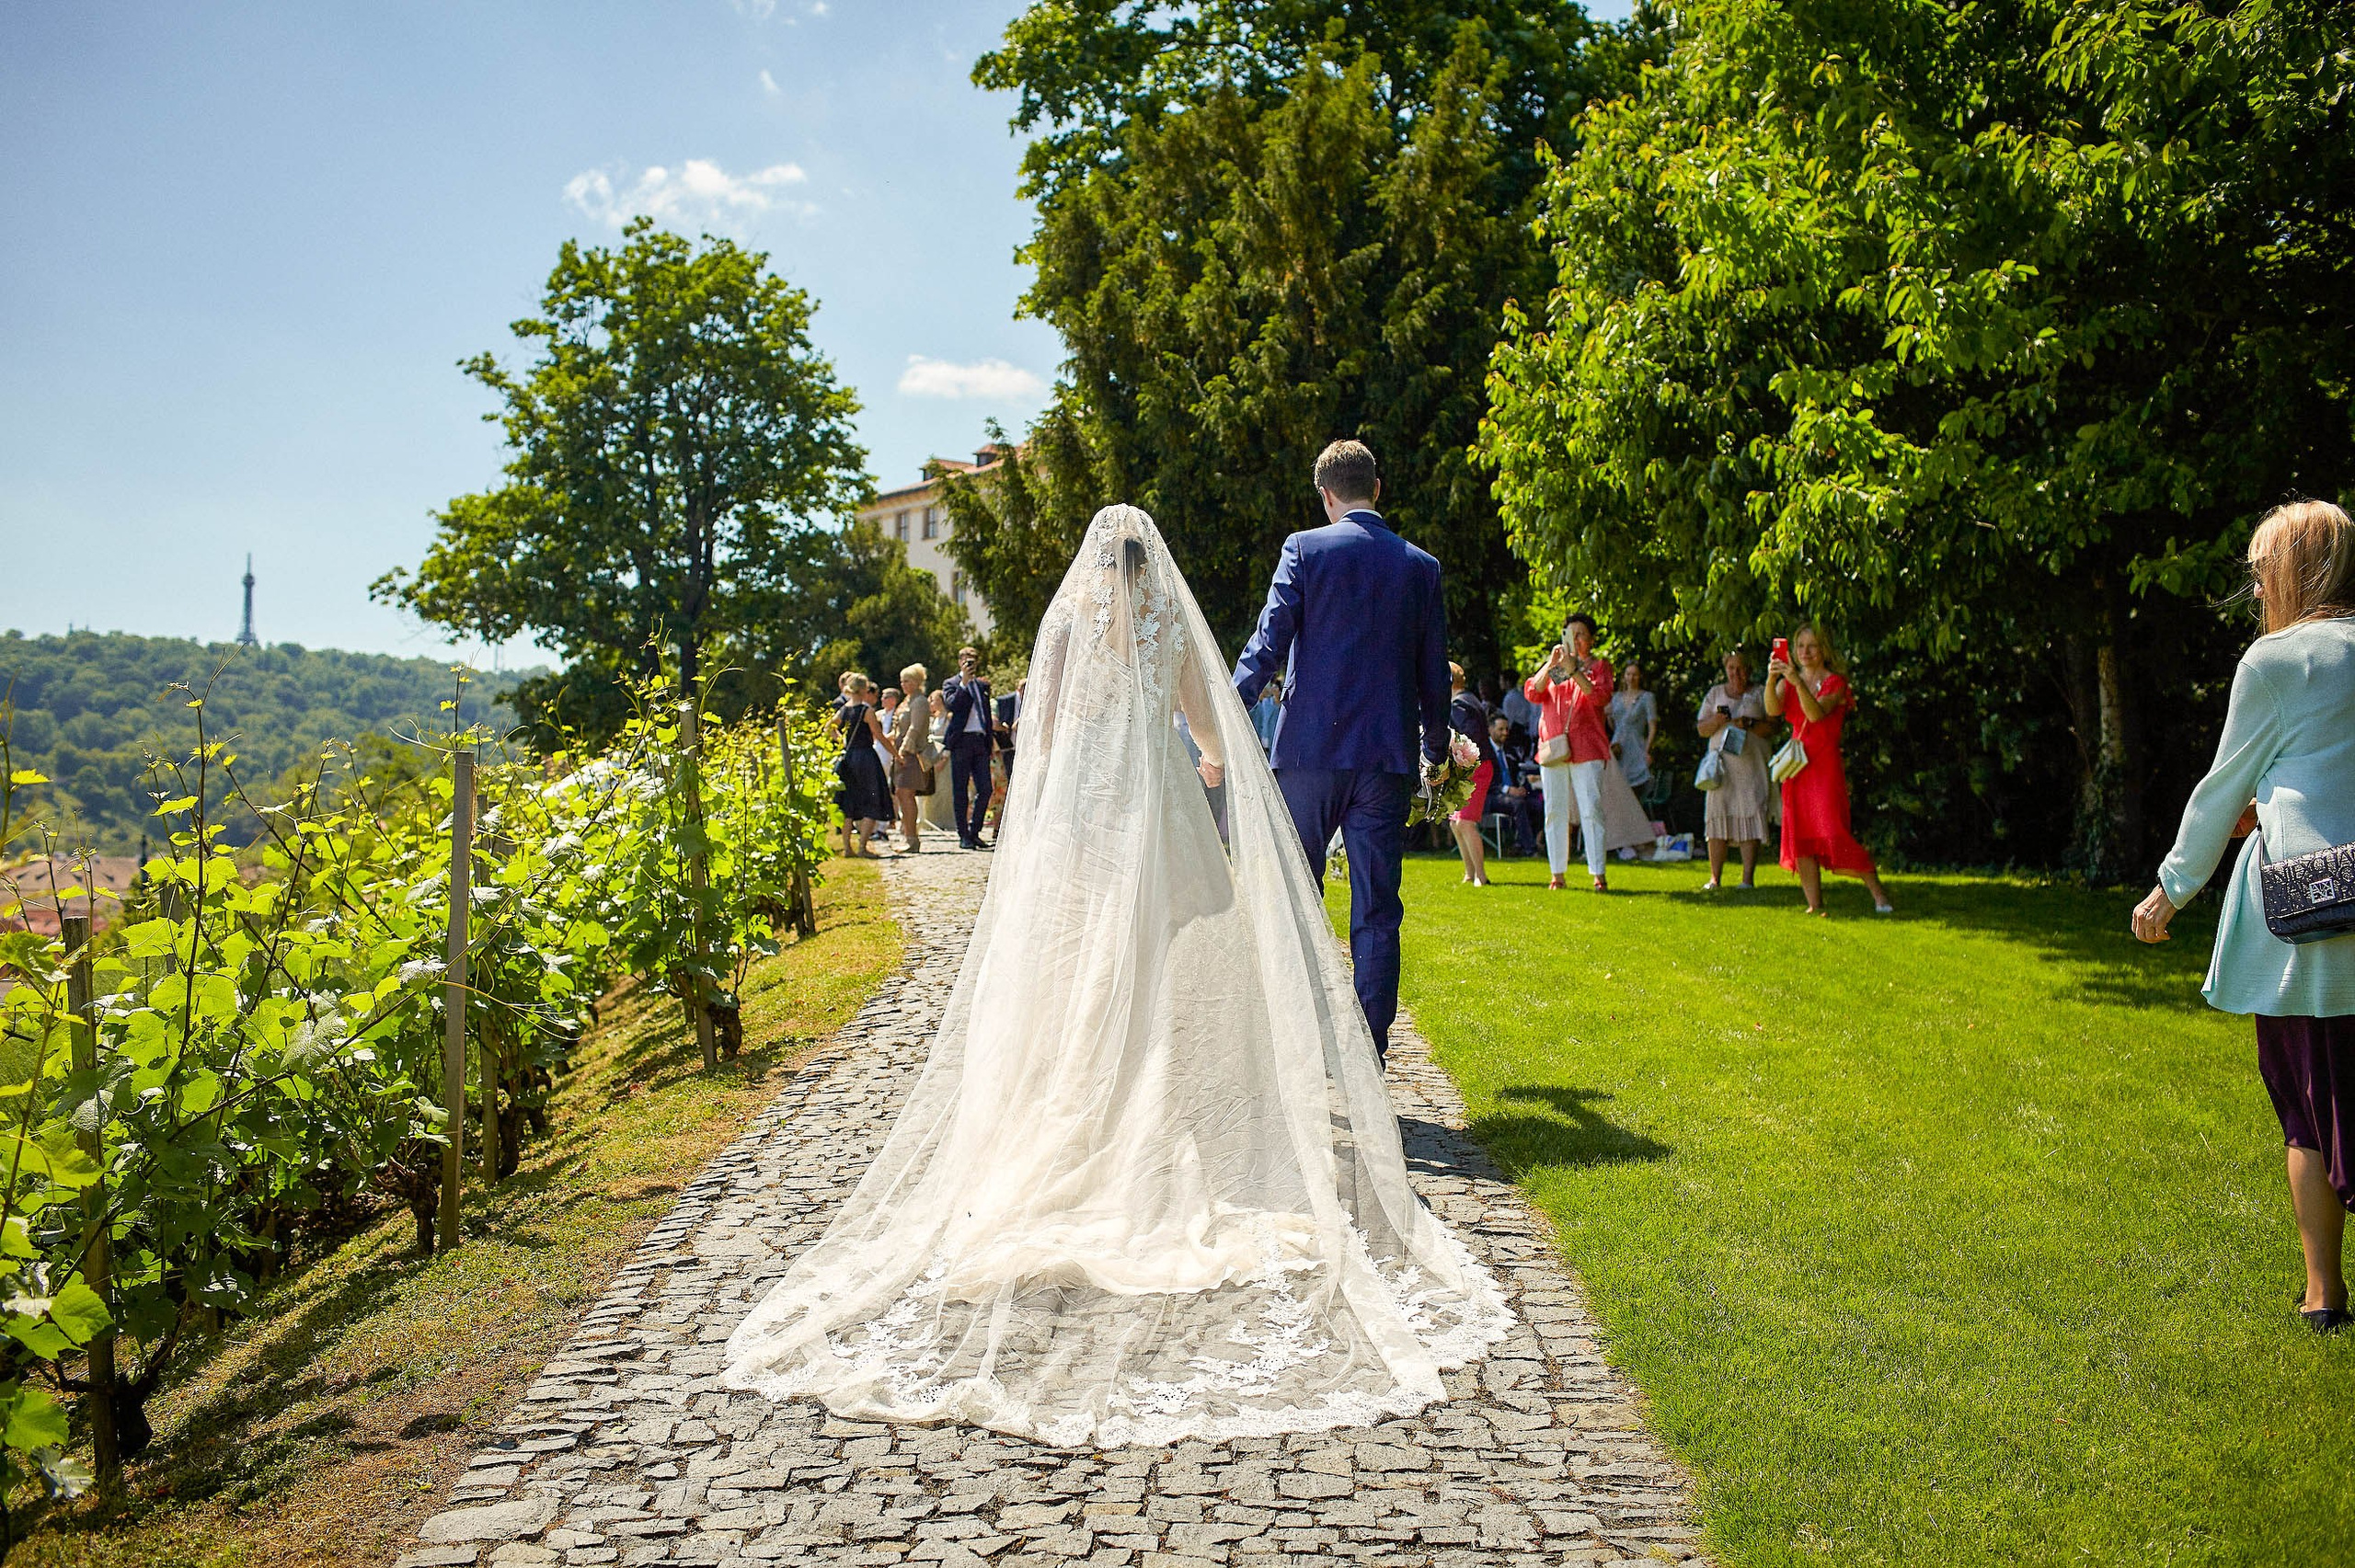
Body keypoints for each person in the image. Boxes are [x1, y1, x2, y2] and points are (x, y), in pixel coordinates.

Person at [723, 503, 1510, 1446]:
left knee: (1088, 958)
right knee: (1163, 952)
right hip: (1161, 800)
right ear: (1154, 564)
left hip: (1091, 806)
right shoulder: (1169, 621)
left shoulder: (1066, 622)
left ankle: (1097, 1097)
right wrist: (1217, 764)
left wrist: (1044, 795)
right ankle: (1157, 1102)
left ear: (1097, 566)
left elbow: (1043, 729)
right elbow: (1205, 721)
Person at [2133, 499, 2355, 1333]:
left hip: (2307, 924)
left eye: (2264, 569)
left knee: (2307, 1108)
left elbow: (2220, 789)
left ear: (2295, 571)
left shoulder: (2275, 660)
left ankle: (2323, 1295)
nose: (2258, 585)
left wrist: (2170, 888)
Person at [1233, 438, 1451, 1062]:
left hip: (1306, 754)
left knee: (1295, 897)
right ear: (1376, 489)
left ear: (1327, 496)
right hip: (1385, 758)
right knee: (1378, 907)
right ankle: (1369, 1051)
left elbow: (1267, 644)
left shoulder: (1304, 548)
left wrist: (1226, 709)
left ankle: (1293, 1045)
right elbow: (1434, 672)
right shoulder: (1420, 566)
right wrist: (1436, 748)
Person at [1764, 625, 1894, 914]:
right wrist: (1772, 678)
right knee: (1801, 837)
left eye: (1812, 646)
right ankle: (1815, 904)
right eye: (1800, 646)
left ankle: (1878, 894)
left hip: (1823, 765)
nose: (1805, 652)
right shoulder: (1790, 679)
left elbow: (1816, 714)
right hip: (1797, 766)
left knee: (1832, 830)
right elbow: (1772, 710)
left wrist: (1797, 683)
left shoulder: (1835, 682)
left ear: (1824, 649)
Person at [1522, 613, 1614, 891]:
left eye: (1581, 635)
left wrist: (1575, 670)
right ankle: (1557, 874)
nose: (1575, 640)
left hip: (1588, 747)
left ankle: (1598, 873)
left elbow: (1600, 697)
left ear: (1591, 639)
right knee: (1554, 811)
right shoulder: (1557, 669)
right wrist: (1552, 664)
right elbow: (1533, 692)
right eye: (1570, 634)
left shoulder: (1599, 666)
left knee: (1591, 810)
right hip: (1553, 748)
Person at [1697, 649, 1773, 889]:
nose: (1736, 673)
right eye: (1731, 668)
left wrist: (1748, 723)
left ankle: (1747, 879)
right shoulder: (1715, 693)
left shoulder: (1760, 693)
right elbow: (1701, 728)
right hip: (1721, 768)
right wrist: (1717, 721)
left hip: (1751, 766)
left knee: (1750, 814)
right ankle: (1714, 878)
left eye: (1740, 668)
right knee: (1717, 816)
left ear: (1749, 669)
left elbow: (1773, 727)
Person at [832, 673, 896, 859]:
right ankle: (862, 847)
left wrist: (841, 743)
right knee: (872, 801)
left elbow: (828, 726)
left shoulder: (844, 710)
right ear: (865, 689)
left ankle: (847, 848)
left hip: (849, 758)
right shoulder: (866, 711)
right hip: (866, 758)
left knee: (848, 804)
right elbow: (880, 737)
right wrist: (896, 754)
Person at [939, 646, 995, 850]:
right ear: (959, 661)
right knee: (960, 790)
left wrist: (990, 739)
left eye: (973, 659)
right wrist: (963, 682)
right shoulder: (951, 683)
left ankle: (975, 832)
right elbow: (952, 705)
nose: (970, 661)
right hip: (961, 741)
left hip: (980, 741)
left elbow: (986, 714)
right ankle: (963, 835)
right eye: (966, 658)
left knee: (985, 789)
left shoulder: (982, 686)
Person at [1447, 662, 1495, 886]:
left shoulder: (1460, 705)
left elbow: (1466, 739)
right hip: (1472, 767)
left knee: (1465, 823)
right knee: (1456, 823)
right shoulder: (1469, 699)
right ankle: (1469, 872)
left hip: (1475, 768)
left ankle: (1481, 876)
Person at [890, 664, 936, 853]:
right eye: (902, 681)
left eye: (907, 680)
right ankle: (908, 836)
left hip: (911, 754)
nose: (903, 684)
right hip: (902, 753)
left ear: (917, 682)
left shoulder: (919, 702)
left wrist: (902, 750)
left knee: (906, 794)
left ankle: (912, 839)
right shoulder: (908, 701)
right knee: (901, 794)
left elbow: (915, 729)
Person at [1489, 712, 1542, 855]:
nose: (1505, 733)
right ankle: (1530, 849)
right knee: (1518, 804)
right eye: (1500, 729)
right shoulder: (1484, 752)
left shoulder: (1510, 751)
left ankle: (1521, 842)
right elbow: (1485, 781)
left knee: (1537, 804)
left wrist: (1522, 787)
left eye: (1507, 729)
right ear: (1490, 729)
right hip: (1491, 796)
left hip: (1513, 794)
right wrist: (1507, 790)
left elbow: (1517, 774)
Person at [1608, 659, 1658, 792]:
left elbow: (1652, 727)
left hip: (1636, 748)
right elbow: (1613, 724)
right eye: (1628, 674)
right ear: (1624, 676)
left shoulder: (1647, 697)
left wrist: (1647, 750)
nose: (1631, 678)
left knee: (1635, 790)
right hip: (1618, 749)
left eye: (1635, 674)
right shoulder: (1616, 698)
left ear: (1640, 676)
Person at [1250, 672, 1284, 756]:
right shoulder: (1255, 705)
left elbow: (1277, 705)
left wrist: (1276, 696)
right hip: (1257, 747)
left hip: (1271, 748)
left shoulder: (1272, 703)